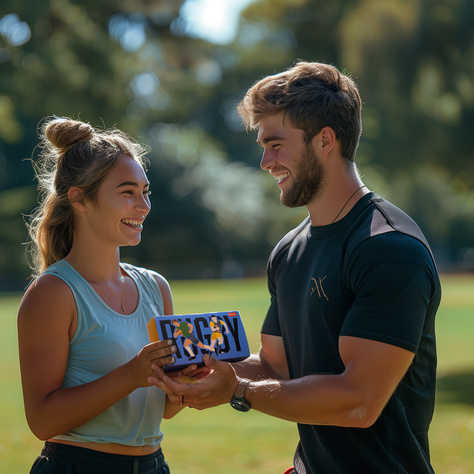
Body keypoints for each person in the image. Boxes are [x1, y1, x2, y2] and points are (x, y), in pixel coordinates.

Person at [149, 61, 441, 473]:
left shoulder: (388, 248)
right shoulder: (288, 251)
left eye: (276, 144)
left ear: (325, 140)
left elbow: (359, 401)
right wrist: (196, 367)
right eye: (262, 146)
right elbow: (276, 366)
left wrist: (239, 390)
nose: (265, 161)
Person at [17, 117, 196, 473]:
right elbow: (42, 422)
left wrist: (183, 385)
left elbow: (162, 408)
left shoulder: (156, 287)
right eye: (127, 192)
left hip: (154, 465)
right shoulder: (52, 293)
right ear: (80, 199)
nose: (143, 206)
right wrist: (132, 374)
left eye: (145, 192)